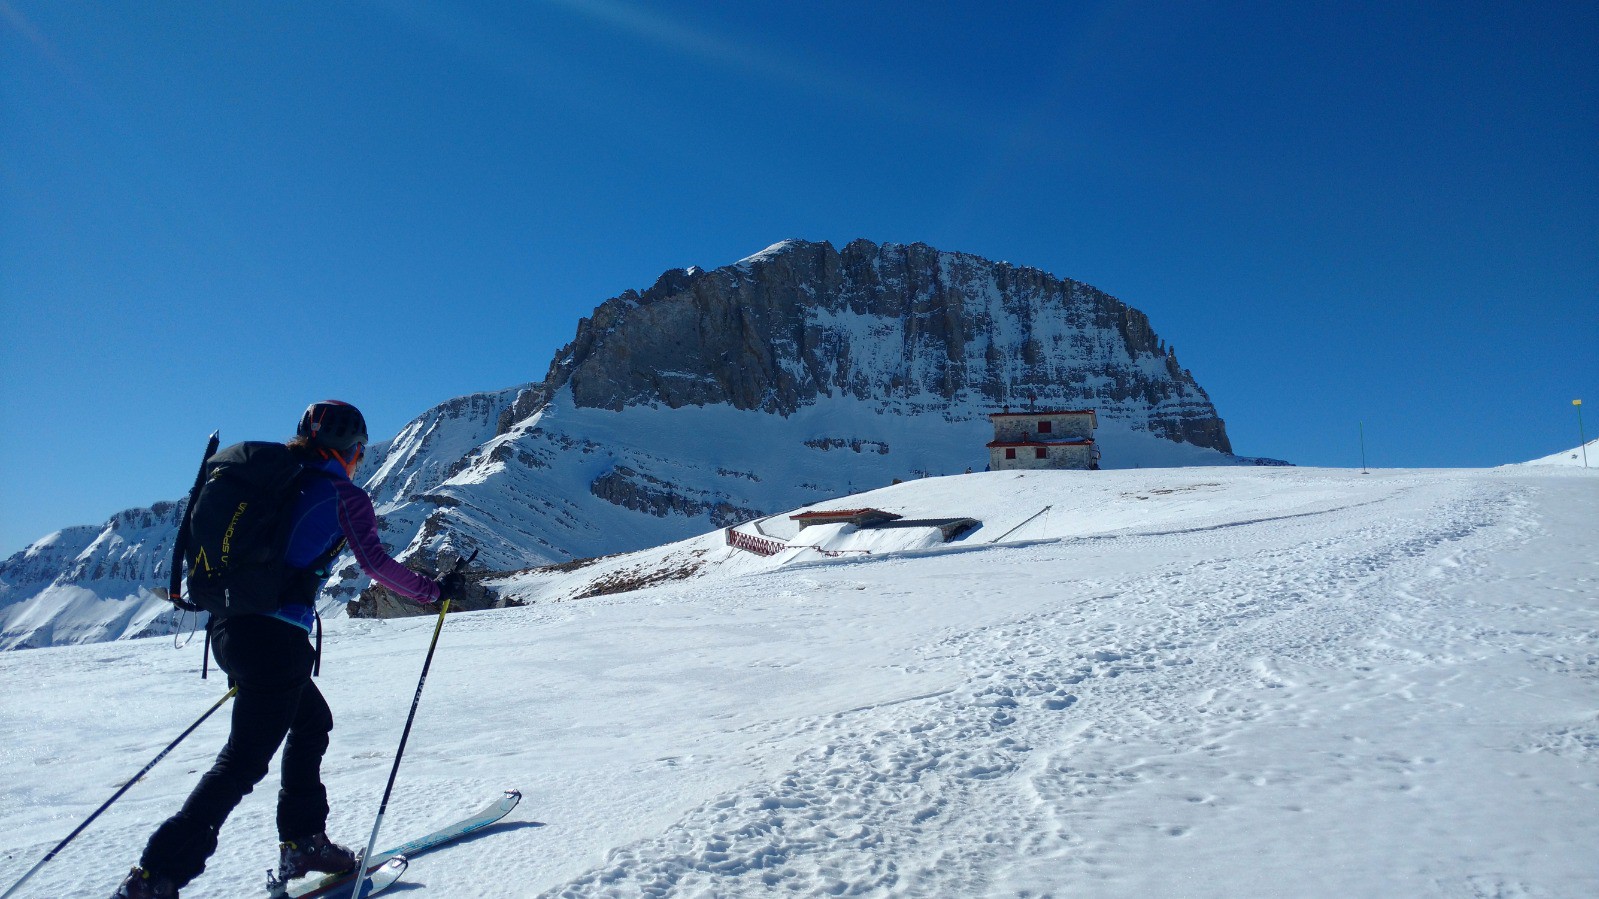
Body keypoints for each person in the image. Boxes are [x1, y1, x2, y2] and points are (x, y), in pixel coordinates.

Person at [112, 400, 464, 899]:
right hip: (275, 643)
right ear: (348, 450)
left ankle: (303, 841)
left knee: (311, 720)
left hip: (229, 631)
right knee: (241, 762)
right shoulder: (343, 495)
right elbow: (377, 564)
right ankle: (157, 875)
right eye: (360, 451)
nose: (360, 459)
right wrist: (434, 592)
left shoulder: (273, 481)